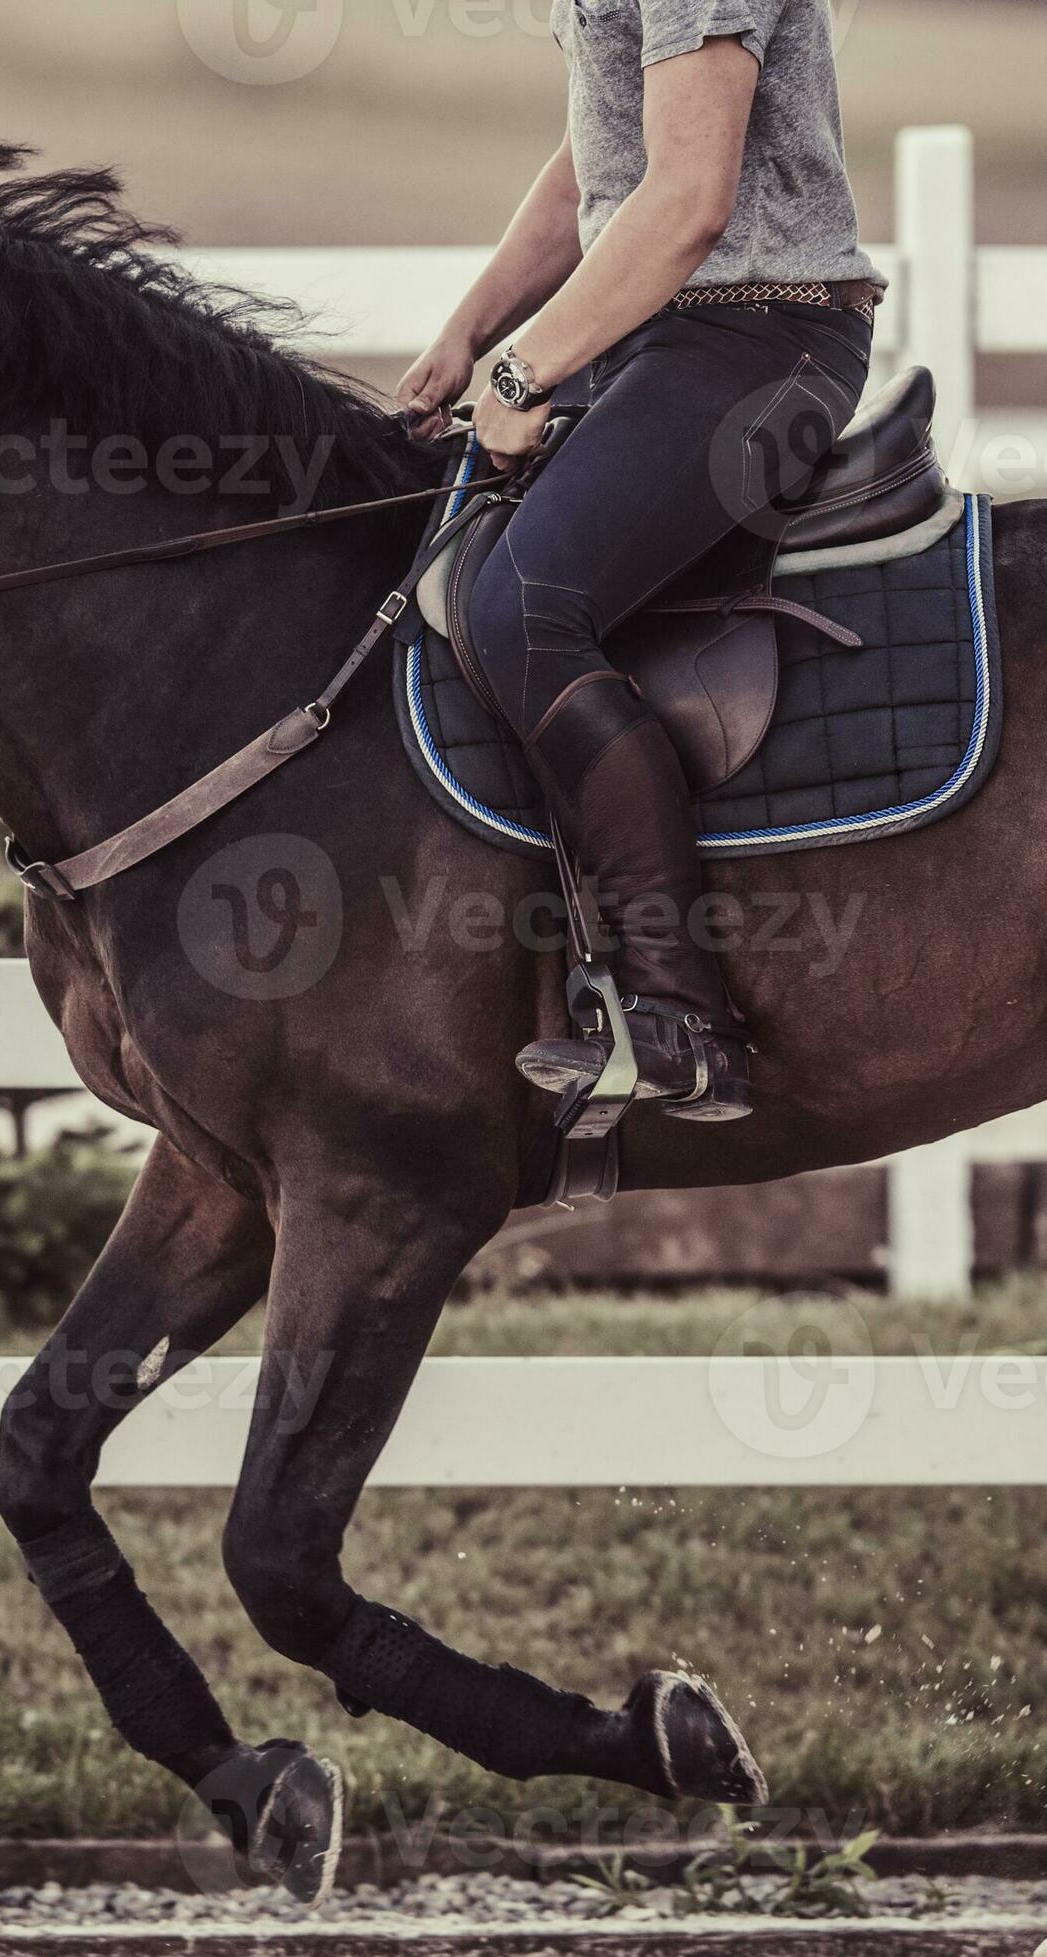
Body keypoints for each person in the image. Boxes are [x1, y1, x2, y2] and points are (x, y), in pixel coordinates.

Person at [400, 0, 878, 1125]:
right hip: (657, 336)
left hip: (763, 339)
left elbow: (685, 202)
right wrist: (469, 333)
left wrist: (522, 375)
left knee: (524, 607)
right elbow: (596, 168)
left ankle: (680, 1018)